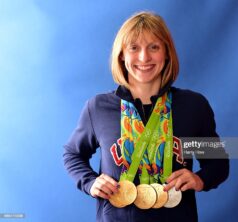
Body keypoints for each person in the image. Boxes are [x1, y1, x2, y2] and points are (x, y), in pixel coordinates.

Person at [63, 11, 229, 222]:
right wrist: (89, 182)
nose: (144, 57)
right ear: (122, 54)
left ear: (167, 53)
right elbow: (72, 154)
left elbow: (218, 163)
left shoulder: (193, 106)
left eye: (154, 47)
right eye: (134, 48)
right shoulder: (98, 108)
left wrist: (200, 179)